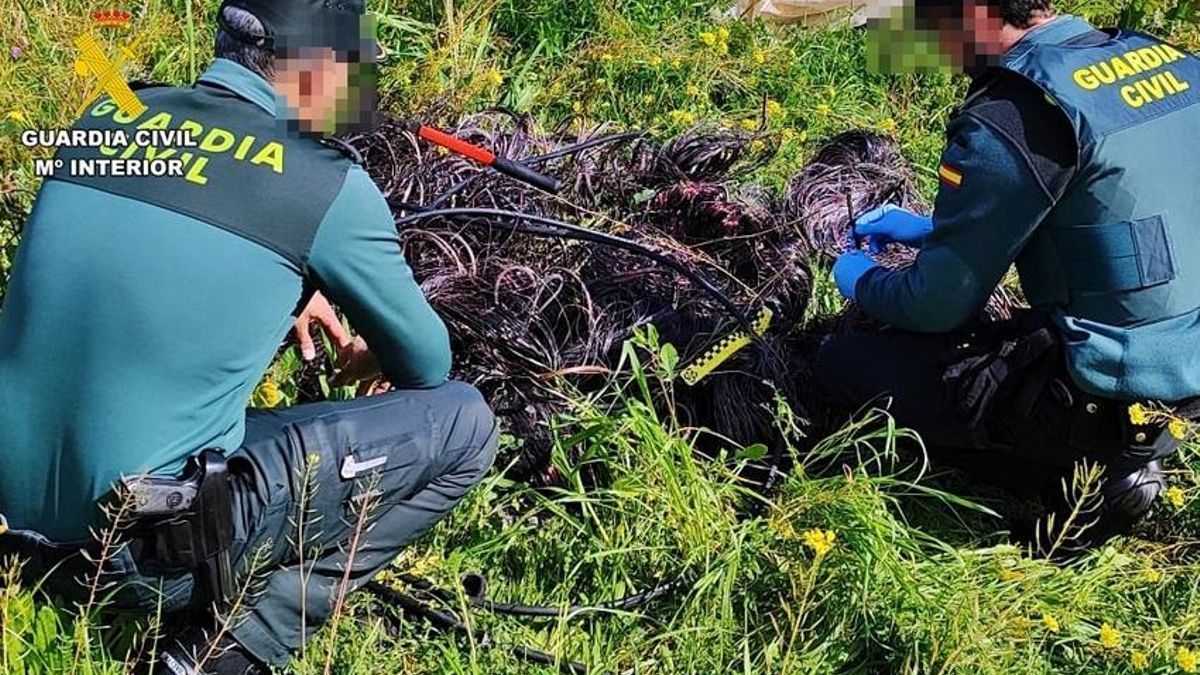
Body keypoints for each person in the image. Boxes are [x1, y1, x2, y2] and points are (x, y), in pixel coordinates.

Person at [0, 1, 497, 672]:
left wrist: (291, 281)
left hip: (15, 538)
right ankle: (221, 654)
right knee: (466, 423)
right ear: (316, 65)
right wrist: (356, 319)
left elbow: (151, 250)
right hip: (141, 559)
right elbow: (427, 366)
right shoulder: (327, 185)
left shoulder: (109, 115)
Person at [817, 0, 1200, 544]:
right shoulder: (1168, 61)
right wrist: (932, 228)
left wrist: (859, 278)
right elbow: (1132, 214)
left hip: (1111, 390)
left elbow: (936, 304)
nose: (935, 49)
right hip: (1189, 362)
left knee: (848, 361)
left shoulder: (1018, 110)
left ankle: (1085, 477)